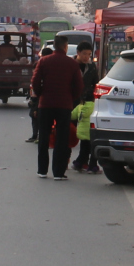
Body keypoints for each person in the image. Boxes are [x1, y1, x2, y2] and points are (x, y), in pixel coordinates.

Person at [32, 37, 82, 181]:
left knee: (44, 137)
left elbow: (35, 81)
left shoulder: (43, 61)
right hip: (64, 105)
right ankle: (58, 172)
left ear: (54, 46)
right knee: (61, 139)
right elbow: (79, 86)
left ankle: (42, 170)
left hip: (45, 104)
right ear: (65, 47)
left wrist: (41, 93)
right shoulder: (72, 64)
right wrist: (71, 98)